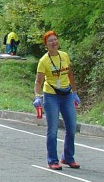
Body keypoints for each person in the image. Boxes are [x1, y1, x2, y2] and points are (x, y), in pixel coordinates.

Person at [33, 30, 80, 170]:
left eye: (55, 40)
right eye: (50, 41)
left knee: (71, 127)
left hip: (67, 94)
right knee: (52, 129)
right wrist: (37, 96)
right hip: (51, 95)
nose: (54, 43)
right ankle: (52, 160)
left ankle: (68, 157)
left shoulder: (64, 56)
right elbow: (38, 81)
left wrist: (75, 93)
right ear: (46, 45)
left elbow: (70, 74)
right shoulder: (43, 61)